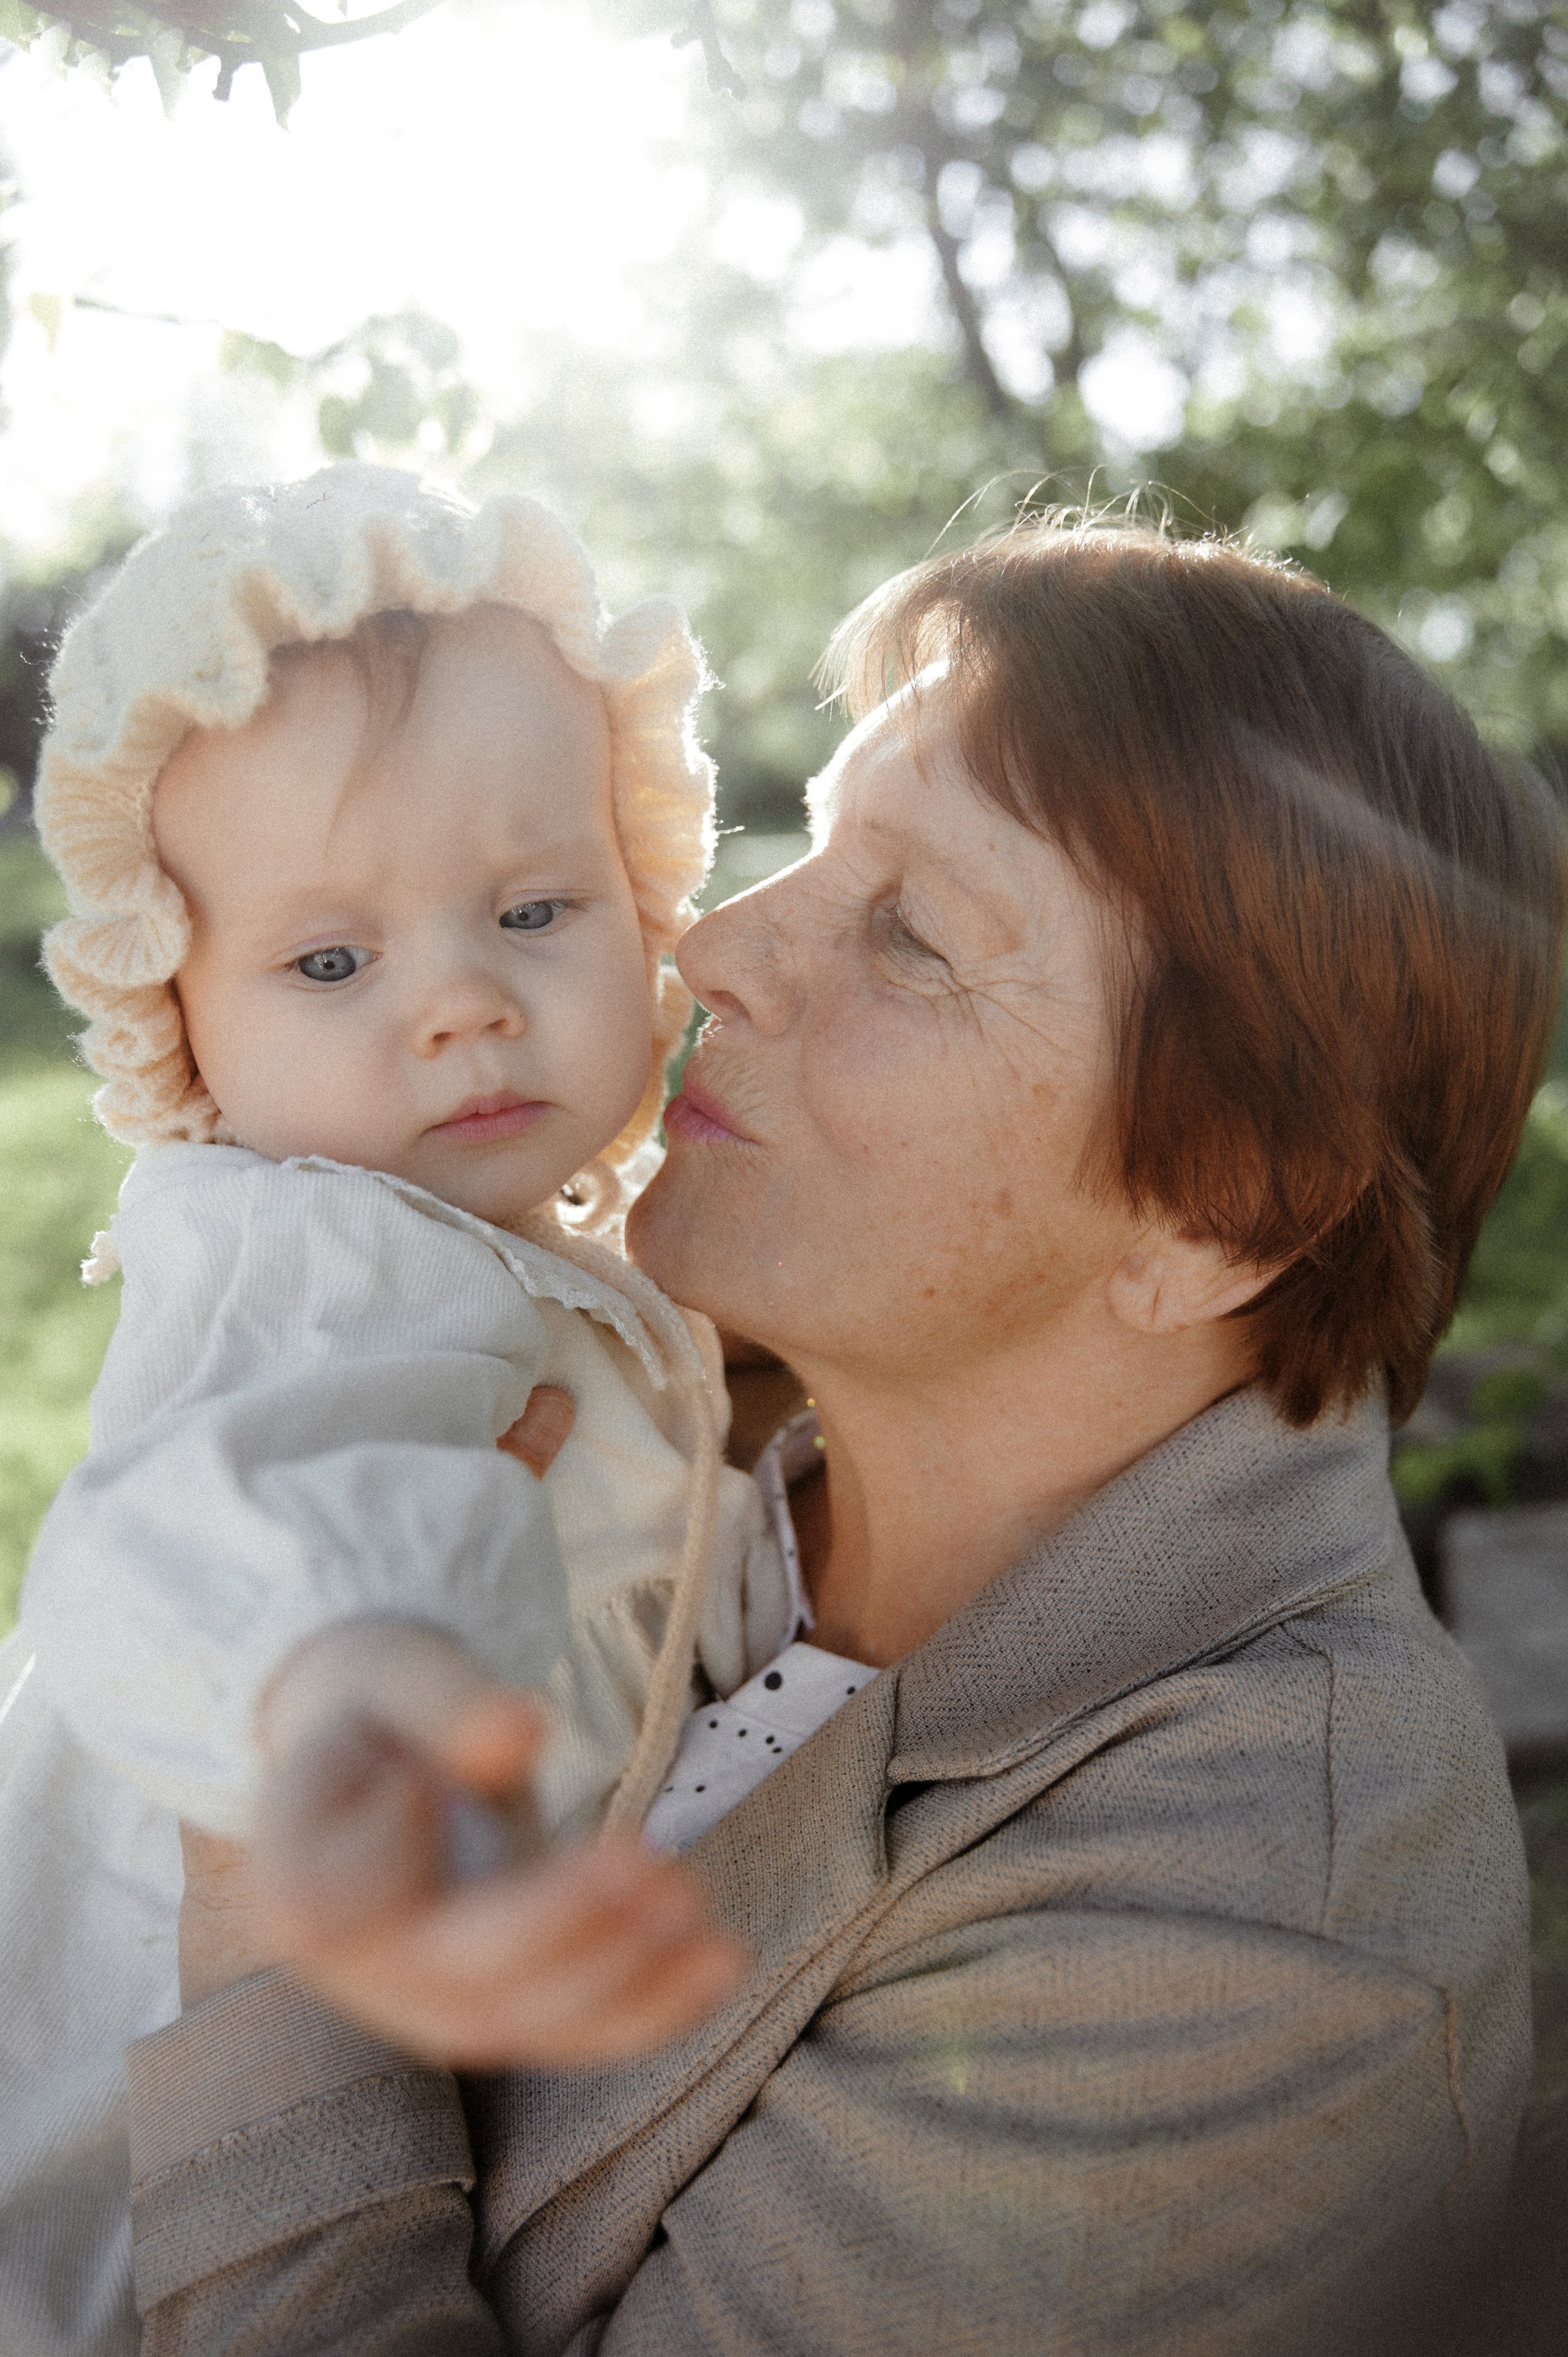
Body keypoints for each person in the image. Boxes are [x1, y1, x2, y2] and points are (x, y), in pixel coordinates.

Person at [131, 518, 1564, 2355]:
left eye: (912, 932)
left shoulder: (1260, 1920)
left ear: (1211, 1217)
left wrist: (276, 1914)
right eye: (811, 846)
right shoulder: (624, 1441)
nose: (717, 946)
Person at [0, 465, 785, 2357]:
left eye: (532, 908)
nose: (460, 1006)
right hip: (116, 2175)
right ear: (175, 1021)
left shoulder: (527, 1252)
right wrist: (366, 1697)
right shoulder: (322, 1265)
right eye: (332, 962)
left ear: (648, 897)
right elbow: (218, 1538)